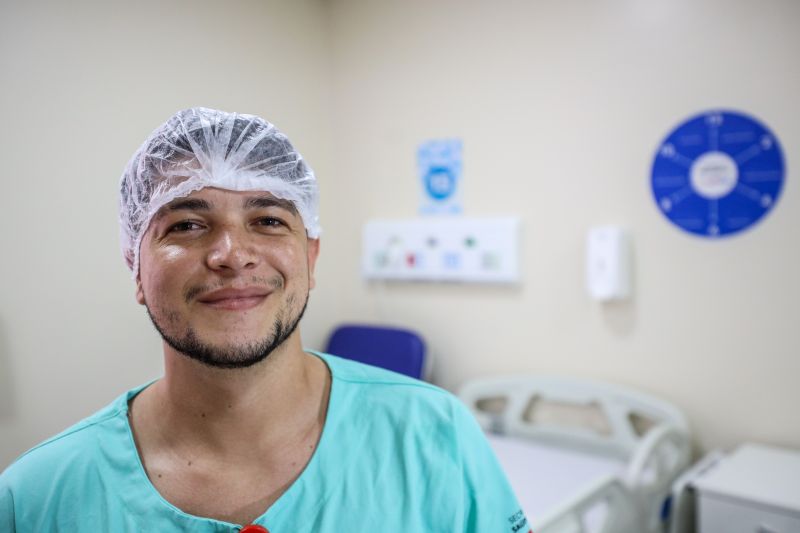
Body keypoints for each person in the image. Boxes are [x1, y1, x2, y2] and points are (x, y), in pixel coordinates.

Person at [0, 107, 529, 532]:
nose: (232, 253)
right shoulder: (36, 500)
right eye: (186, 223)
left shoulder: (435, 434)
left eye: (269, 220)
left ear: (311, 258)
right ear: (135, 268)